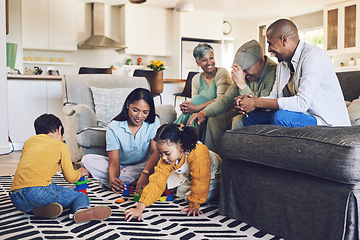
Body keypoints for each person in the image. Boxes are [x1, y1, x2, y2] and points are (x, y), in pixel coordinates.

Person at [235, 19, 350, 127]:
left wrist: (256, 102)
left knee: (280, 117)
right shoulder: (282, 66)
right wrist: (249, 101)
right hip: (303, 115)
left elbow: (302, 103)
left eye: (270, 43)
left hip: (325, 121)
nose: (269, 49)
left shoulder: (314, 56)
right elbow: (272, 97)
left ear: (284, 40)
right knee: (250, 117)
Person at [9, 114, 111, 223]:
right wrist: (79, 173)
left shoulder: (29, 142)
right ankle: (81, 210)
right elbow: (70, 178)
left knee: (48, 190)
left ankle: (37, 210)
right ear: (59, 130)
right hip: (36, 192)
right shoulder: (60, 145)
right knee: (79, 196)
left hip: (16, 198)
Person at [187, 40, 277, 153]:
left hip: (262, 115)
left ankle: (234, 159)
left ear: (260, 62)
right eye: (241, 71)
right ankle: (215, 159)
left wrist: (242, 84)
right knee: (214, 119)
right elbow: (225, 100)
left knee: (237, 120)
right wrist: (203, 113)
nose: (243, 74)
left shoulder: (274, 71)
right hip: (244, 113)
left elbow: (263, 107)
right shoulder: (247, 73)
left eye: (246, 70)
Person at [124, 123, 222, 221]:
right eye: (160, 153)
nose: (163, 157)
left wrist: (194, 205)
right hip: (189, 174)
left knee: (190, 197)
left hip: (214, 175)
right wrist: (139, 208)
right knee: (170, 187)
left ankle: (217, 191)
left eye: (167, 153)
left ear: (181, 146)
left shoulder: (197, 152)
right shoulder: (166, 158)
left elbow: (201, 180)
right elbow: (156, 182)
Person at [82, 88, 160, 195]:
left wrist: (145, 174)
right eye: (135, 110)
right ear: (128, 104)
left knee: (161, 163)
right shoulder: (114, 127)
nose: (139, 116)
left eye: (145, 112)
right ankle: (133, 183)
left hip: (143, 166)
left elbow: (155, 152)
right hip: (121, 166)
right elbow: (114, 162)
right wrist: (113, 177)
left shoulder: (153, 122)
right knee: (88, 160)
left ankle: (122, 181)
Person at [174, 42, 232, 140]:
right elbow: (194, 101)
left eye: (211, 58)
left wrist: (196, 108)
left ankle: (175, 131)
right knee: (194, 111)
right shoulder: (196, 78)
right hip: (200, 114)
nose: (209, 62)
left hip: (219, 111)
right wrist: (187, 106)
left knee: (198, 102)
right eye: (204, 60)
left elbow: (221, 100)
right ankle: (185, 141)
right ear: (198, 63)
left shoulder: (222, 73)